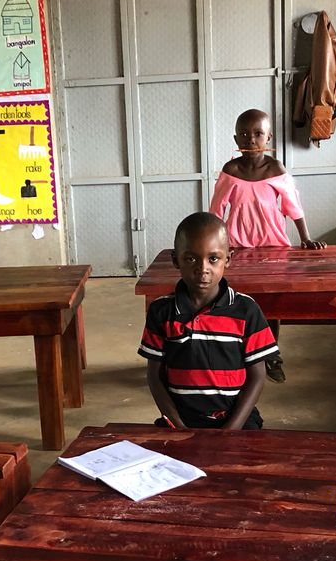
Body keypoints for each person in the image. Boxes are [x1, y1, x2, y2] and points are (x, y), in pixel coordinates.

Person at [209, 108, 325, 383]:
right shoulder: (231, 170)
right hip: (237, 247)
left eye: (258, 134)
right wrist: (218, 247)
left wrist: (305, 238)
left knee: (272, 304)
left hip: (274, 247)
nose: (251, 139)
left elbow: (293, 206)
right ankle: (238, 354)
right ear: (235, 139)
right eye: (244, 134)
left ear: (268, 137)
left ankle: (271, 354)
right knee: (237, 302)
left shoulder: (276, 169)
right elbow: (216, 212)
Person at [139, 212, 276, 430]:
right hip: (182, 421)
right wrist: (179, 427)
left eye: (213, 259)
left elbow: (257, 377)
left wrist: (230, 431)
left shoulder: (246, 310)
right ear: (175, 260)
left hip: (237, 420)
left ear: (228, 259)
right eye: (191, 259)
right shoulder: (161, 311)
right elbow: (154, 376)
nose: (203, 268)